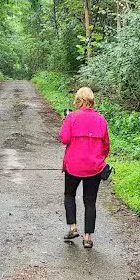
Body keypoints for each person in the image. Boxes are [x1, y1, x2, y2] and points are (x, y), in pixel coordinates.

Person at [59, 87, 110, 248]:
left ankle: (73, 228)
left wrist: (65, 122)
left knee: (69, 195)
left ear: (78, 100)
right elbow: (106, 145)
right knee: (90, 201)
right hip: (94, 167)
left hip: (73, 166)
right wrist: (98, 158)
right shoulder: (101, 119)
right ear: (92, 100)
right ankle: (87, 238)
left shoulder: (71, 117)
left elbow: (64, 139)